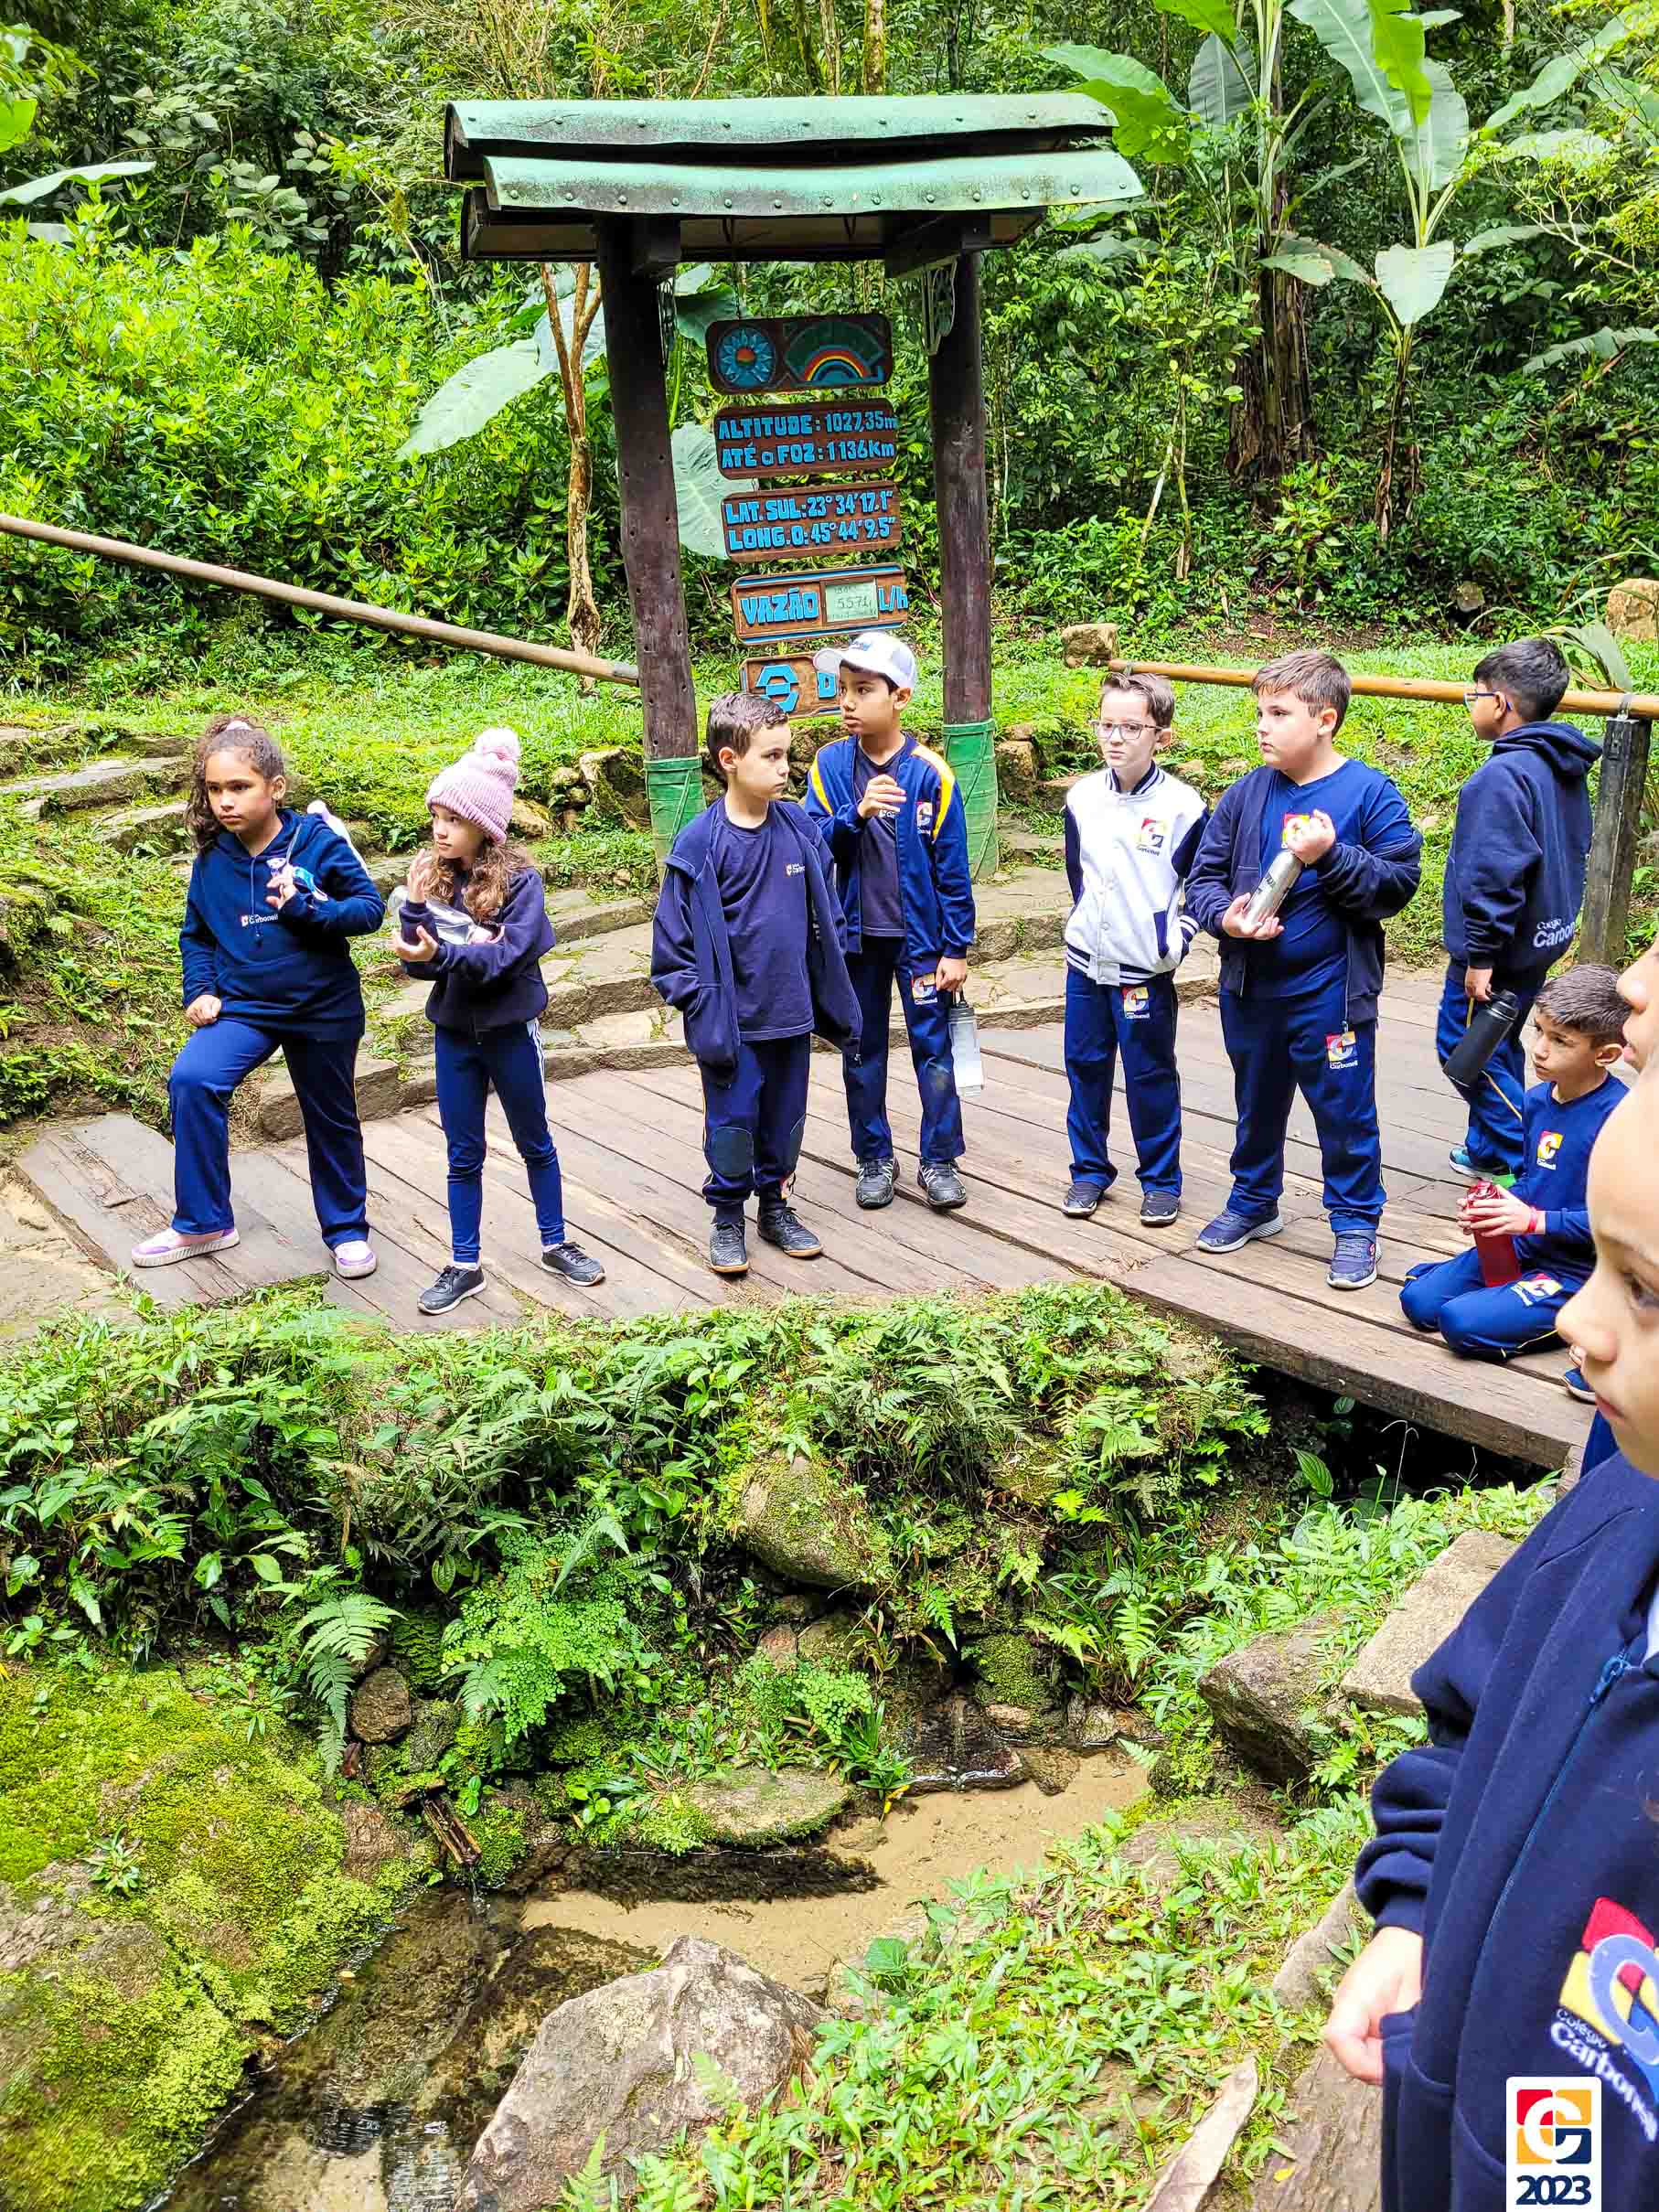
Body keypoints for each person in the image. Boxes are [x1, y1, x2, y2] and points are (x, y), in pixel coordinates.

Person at [1322, 1063, 1659, 2212]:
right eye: (1595, 1266)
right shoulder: (1611, 1511)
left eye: (1642, 1290)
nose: (1575, 1321)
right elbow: (1465, 1717)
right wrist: (1415, 1908)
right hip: (1475, 2120)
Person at [1185, 648, 1422, 1290]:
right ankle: (1254, 1200)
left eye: (1279, 713)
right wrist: (1226, 919)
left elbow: (1397, 884)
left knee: (1344, 1110)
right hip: (1250, 986)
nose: (1262, 726)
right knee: (1255, 1101)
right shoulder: (1245, 794)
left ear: (1325, 720)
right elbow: (1203, 878)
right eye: (1260, 713)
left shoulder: (1369, 793)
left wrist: (1330, 855)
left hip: (1331, 993)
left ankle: (1355, 1223)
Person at [133, 713, 383, 1277]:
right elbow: (197, 935)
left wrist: (306, 908)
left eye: (240, 787)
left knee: (330, 1116)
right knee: (193, 1080)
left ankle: (346, 1230)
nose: (225, 801)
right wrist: (200, 988)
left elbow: (369, 911)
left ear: (276, 788)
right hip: (245, 1008)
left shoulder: (316, 842)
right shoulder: (212, 859)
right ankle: (204, 1222)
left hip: (321, 1007)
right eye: (215, 789)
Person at [392, 728, 605, 1315]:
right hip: (454, 1036)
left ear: (484, 826)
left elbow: (506, 958)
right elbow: (418, 964)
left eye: (453, 820)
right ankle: (464, 1264)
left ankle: (556, 1243)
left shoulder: (521, 883)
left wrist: (443, 954)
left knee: (535, 1140)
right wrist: (415, 909)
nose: (439, 830)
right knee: (462, 1152)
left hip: (511, 1031)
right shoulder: (435, 879)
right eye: (436, 817)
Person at [652, 690, 861, 1278]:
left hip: (792, 1014)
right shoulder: (701, 843)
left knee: (786, 1120)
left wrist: (829, 971)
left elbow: (829, 909)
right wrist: (702, 1003)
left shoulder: (799, 828)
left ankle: (775, 1206)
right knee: (732, 1123)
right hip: (733, 1024)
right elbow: (671, 946)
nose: (784, 768)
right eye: (770, 757)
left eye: (786, 755)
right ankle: (727, 1217)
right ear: (729, 760)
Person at [803, 633, 977, 1213]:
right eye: (842, 689)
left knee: (934, 1049)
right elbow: (813, 845)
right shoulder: (829, 766)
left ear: (899, 696)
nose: (847, 702)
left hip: (922, 943)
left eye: (862, 690)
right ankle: (874, 1157)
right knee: (861, 1049)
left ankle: (939, 1160)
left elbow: (953, 870)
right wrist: (854, 814)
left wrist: (957, 947)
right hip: (856, 941)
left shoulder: (931, 775)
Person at [1399, 966, 1626, 1357]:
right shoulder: (1537, 1101)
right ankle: (1504, 1296)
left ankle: (1589, 1315)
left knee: (1459, 1323)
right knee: (1419, 1301)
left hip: (1579, 1272)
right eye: (1539, 1030)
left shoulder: (1620, 1120)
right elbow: (1533, 1181)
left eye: (1561, 1041)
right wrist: (1496, 1206)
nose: (1540, 1049)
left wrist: (1535, 1221)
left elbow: (1621, 1226)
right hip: (1526, 1246)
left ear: (1605, 1054)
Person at [1439, 636, 1600, 1179]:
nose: (1471, 704)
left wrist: (1480, 955)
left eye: (1475, 695)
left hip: (1499, 949)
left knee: (1464, 1051)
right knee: (1499, 1039)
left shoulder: (1500, 778)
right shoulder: (1559, 764)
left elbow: (1494, 874)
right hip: (1539, 938)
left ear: (1501, 703)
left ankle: (1526, 1159)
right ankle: (1487, 1149)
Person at [1060, 671, 1207, 1224]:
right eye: (1106, 725)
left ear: (1160, 736)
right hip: (1085, 964)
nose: (1115, 738)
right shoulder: (1081, 798)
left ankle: (1162, 1180)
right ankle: (1088, 1172)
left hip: (1144, 970)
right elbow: (1078, 876)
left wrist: (1174, 939)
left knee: (1149, 1074)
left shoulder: (1183, 807)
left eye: (1130, 727)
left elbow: (1202, 884)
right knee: (1085, 1067)